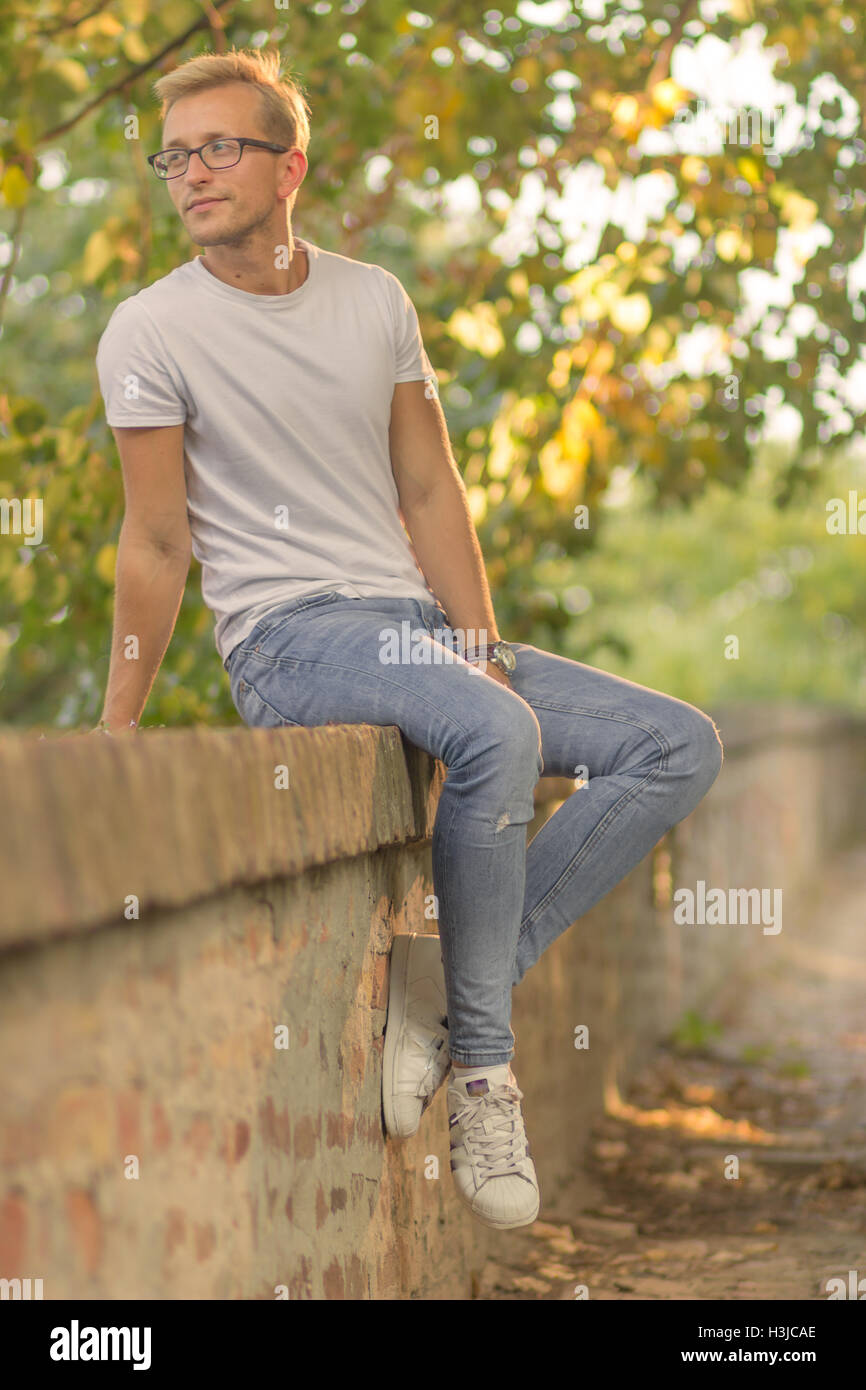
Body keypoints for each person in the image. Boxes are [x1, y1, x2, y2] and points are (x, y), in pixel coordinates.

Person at [95, 46, 724, 1233]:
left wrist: (473, 638)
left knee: (673, 743)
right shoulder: (149, 329)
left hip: (416, 630)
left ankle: (445, 981)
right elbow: (155, 541)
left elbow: (430, 492)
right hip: (290, 640)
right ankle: (485, 1074)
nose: (189, 173)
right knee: (496, 728)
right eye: (174, 155)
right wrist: (117, 727)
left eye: (219, 147)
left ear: (291, 166)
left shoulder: (373, 298)